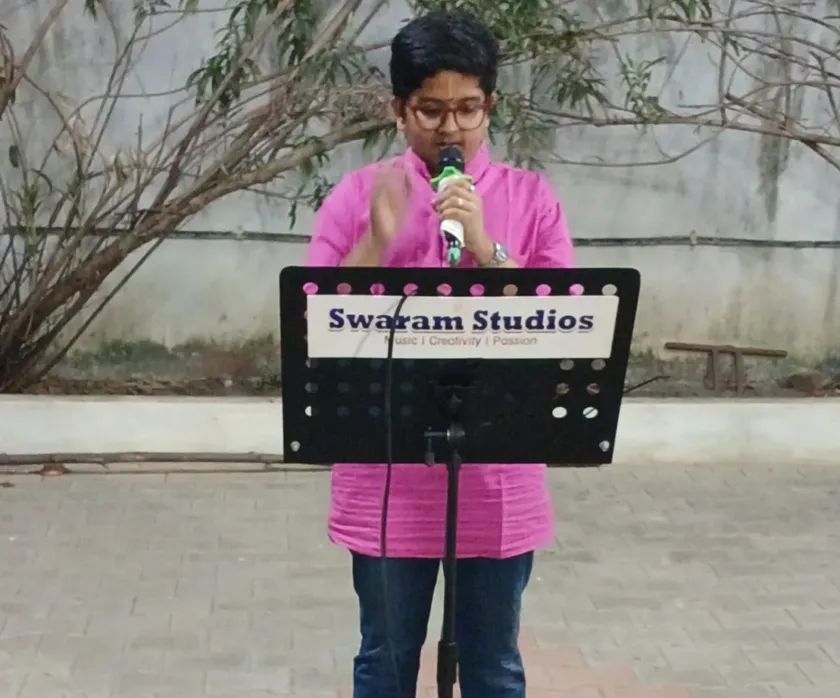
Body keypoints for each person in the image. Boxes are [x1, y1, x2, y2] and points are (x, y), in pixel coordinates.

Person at [305, 9, 575, 698]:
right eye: (430, 110)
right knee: (386, 662)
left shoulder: (531, 198)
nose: (450, 129)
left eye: (468, 109)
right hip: (386, 479)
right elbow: (316, 327)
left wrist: (486, 247)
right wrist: (376, 243)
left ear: (491, 106)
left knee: (494, 667)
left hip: (495, 480)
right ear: (399, 110)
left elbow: (563, 328)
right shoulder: (359, 196)